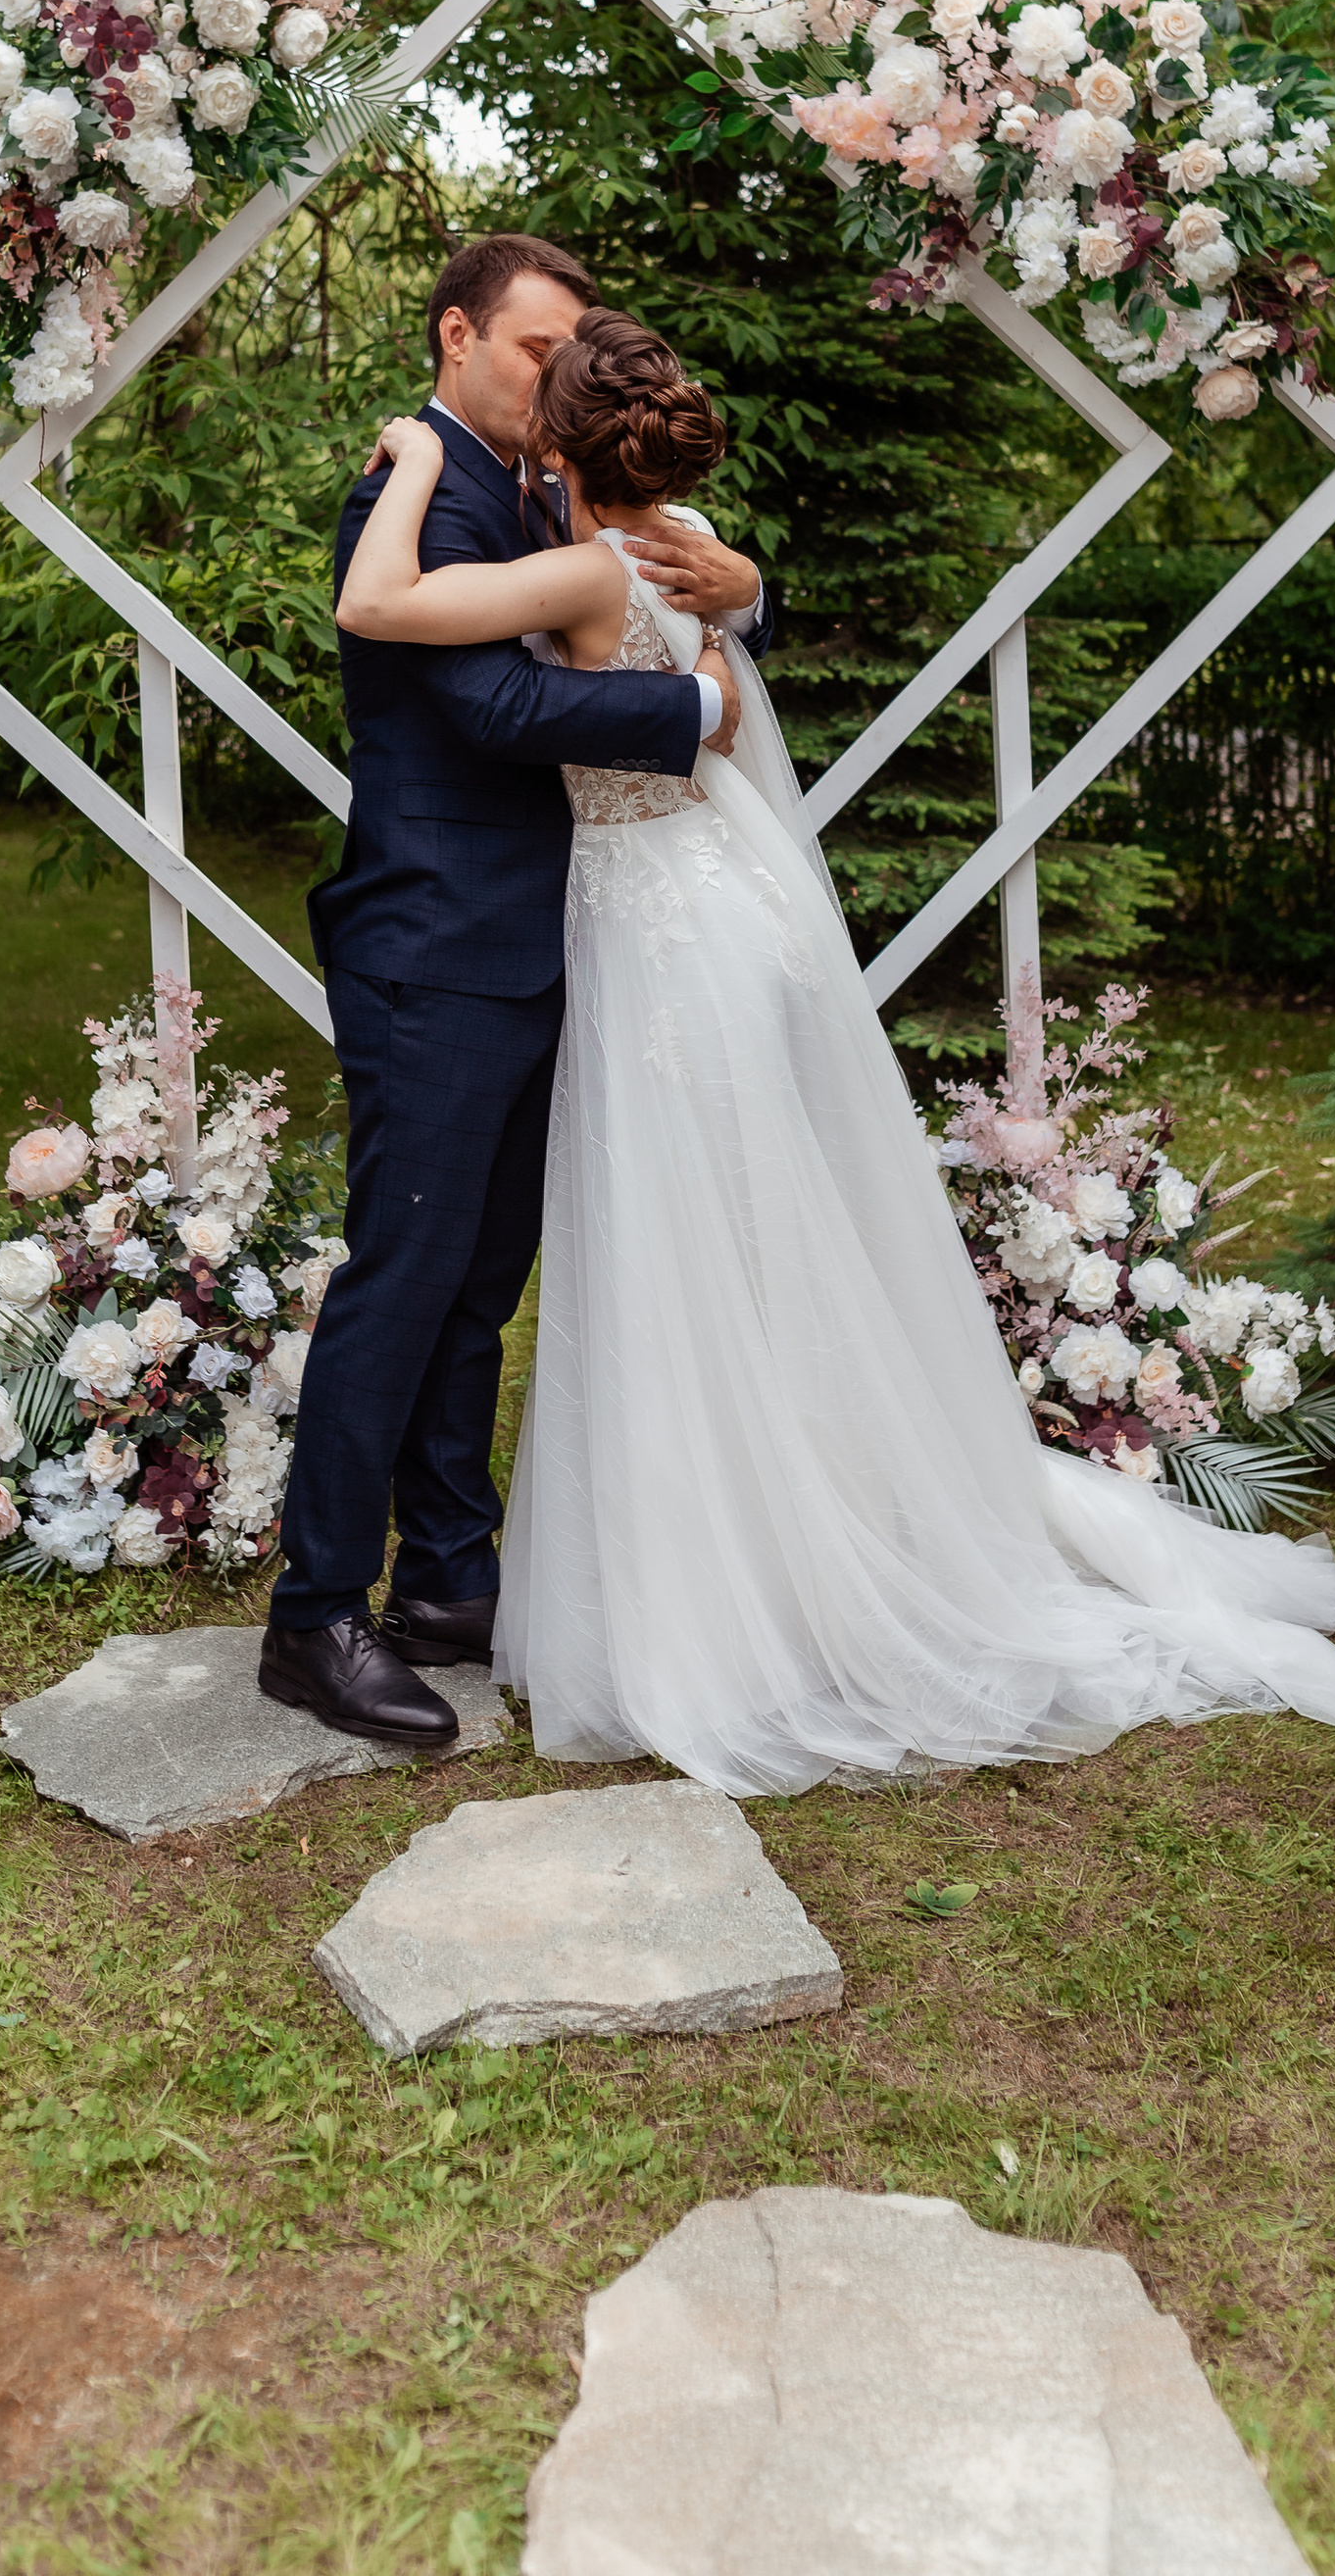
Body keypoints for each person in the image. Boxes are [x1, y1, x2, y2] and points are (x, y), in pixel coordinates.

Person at [329, 307, 1335, 1797]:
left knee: (678, 1252)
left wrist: (421, 454)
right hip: (729, 907)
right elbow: (718, 648)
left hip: (649, 938)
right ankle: (792, 1531)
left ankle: (733, 1586)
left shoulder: (569, 564)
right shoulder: (687, 539)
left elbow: (380, 606)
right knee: (762, 1231)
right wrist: (730, 612)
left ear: (559, 447)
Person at [262, 235, 771, 1749]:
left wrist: (749, 593)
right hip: (432, 949)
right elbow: (487, 704)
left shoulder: (539, 486)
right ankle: (315, 1619)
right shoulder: (407, 488)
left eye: (568, 357)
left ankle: (451, 1580)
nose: (554, 375)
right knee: (403, 1280)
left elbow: (664, 566)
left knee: (483, 1286)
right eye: (534, 350)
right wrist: (696, 706)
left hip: (542, 945)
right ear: (459, 336)